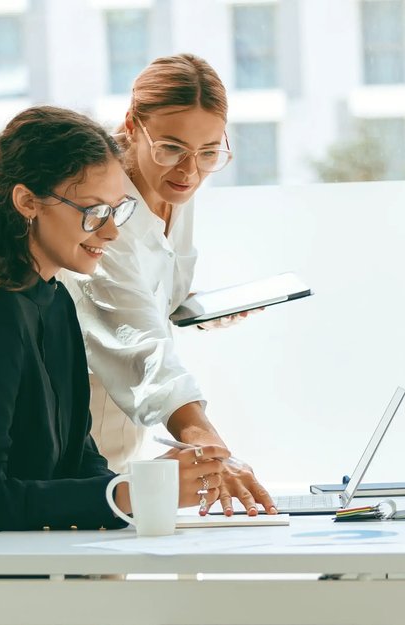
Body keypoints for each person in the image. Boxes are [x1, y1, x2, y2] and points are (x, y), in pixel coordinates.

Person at [0, 106, 232, 624]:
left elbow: (80, 458)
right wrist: (122, 495)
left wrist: (144, 489)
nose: (111, 233)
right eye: (93, 212)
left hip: (2, 581)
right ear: (27, 202)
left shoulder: (54, 301)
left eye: (118, 211)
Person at [65, 53, 275, 515]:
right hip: (84, 429)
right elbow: (138, 344)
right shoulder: (104, 215)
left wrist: (190, 306)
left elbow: (150, 290)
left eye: (208, 153)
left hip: (130, 432)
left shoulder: (175, 190)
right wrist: (211, 448)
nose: (189, 171)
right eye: (171, 148)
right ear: (132, 125)